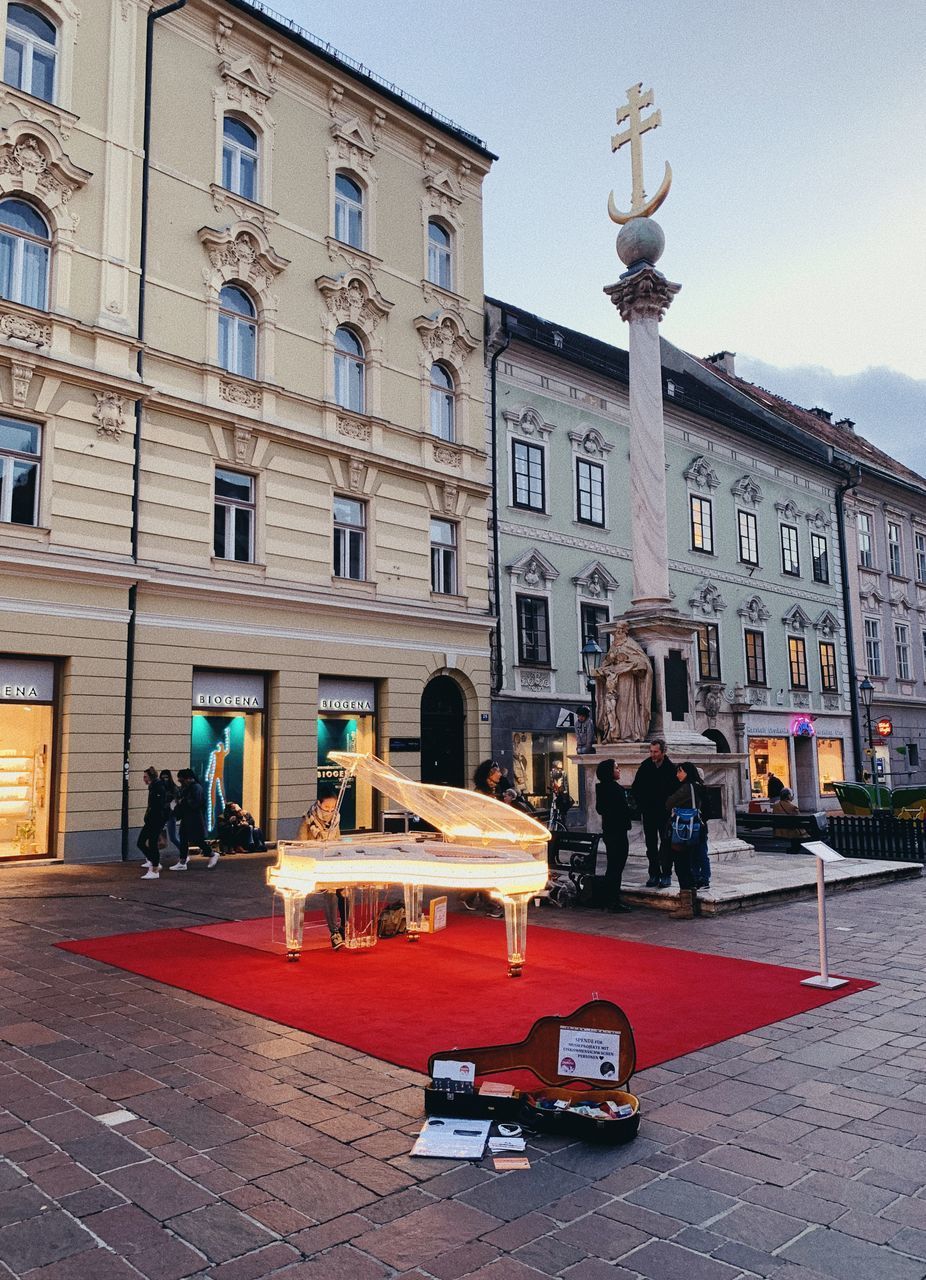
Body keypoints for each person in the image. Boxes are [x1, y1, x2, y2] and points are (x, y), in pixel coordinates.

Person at [298, 784, 347, 949]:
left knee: (346, 890)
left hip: (332, 862)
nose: (330, 810)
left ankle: (345, 927)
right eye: (326, 807)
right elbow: (301, 845)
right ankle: (334, 933)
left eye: (333, 807)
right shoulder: (307, 819)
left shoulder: (335, 820)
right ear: (319, 804)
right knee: (330, 891)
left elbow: (338, 841)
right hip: (315, 863)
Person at [594, 623, 653, 743]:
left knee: (625, 707)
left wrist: (629, 663)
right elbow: (607, 662)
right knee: (612, 709)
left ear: (626, 631)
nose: (618, 632)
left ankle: (628, 733)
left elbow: (643, 662)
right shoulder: (613, 646)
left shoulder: (631, 644)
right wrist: (606, 666)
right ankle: (614, 733)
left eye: (621, 629)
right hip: (614, 683)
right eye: (617, 630)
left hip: (627, 681)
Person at [665, 761, 709, 918]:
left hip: (683, 831)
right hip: (697, 832)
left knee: (681, 866)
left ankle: (686, 908)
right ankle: (693, 903)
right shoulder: (700, 787)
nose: (677, 774)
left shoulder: (685, 788)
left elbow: (669, 803)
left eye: (680, 771)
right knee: (690, 865)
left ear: (687, 773)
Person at [631, 740, 677, 887]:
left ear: (663, 752)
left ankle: (666, 874)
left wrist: (669, 806)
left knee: (666, 844)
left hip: (664, 813)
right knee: (650, 845)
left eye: (655, 752)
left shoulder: (671, 768)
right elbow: (636, 787)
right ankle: (654, 873)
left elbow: (675, 791)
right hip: (649, 812)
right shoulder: (645, 766)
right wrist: (642, 805)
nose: (652, 754)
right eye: (651, 751)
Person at [463, 760, 505, 917]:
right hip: (482, 837)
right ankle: (490, 903)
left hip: (491, 836)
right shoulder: (481, 794)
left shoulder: (493, 791)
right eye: (497, 771)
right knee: (488, 868)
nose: (500, 774)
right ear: (489, 775)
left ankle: (467, 894)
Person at [595, 759, 632, 912]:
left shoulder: (601, 788)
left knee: (612, 866)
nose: (619, 770)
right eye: (616, 768)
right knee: (616, 867)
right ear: (609, 772)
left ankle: (609, 899)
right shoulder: (615, 790)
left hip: (609, 831)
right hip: (618, 831)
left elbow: (600, 809)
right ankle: (613, 901)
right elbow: (623, 810)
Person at [170, 769, 216, 871]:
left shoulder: (196, 787)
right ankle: (182, 861)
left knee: (197, 839)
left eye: (181, 779)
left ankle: (212, 854)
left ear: (188, 779)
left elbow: (195, 803)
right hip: (188, 817)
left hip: (195, 818)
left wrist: (183, 801)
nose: (180, 781)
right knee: (184, 838)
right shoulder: (188, 787)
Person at [138, 766, 169, 880]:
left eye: (145, 777)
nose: (144, 779)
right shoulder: (154, 787)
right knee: (142, 842)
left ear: (150, 777)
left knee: (150, 843)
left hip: (156, 820)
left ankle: (155, 868)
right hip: (153, 820)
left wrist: (152, 817)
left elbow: (158, 806)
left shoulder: (157, 787)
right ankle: (154, 863)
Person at [159, 770, 180, 854]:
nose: (164, 779)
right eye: (163, 777)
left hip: (170, 815)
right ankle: (152, 859)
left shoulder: (173, 788)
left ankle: (184, 854)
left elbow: (178, 800)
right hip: (161, 814)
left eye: (166, 777)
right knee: (154, 836)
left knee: (173, 837)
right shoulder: (160, 787)